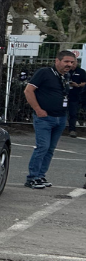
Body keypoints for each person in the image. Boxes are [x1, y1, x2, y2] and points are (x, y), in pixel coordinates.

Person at [23, 50, 77, 188]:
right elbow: (28, 90)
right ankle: (32, 177)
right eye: (66, 61)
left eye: (71, 62)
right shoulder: (44, 73)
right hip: (45, 118)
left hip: (60, 117)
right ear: (57, 61)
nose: (69, 65)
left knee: (50, 149)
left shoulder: (65, 76)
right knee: (43, 147)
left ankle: (41, 176)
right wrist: (38, 110)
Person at [66, 53, 85, 139]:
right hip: (64, 95)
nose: (72, 65)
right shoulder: (66, 71)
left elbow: (85, 82)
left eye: (74, 63)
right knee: (60, 112)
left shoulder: (81, 72)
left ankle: (72, 130)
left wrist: (77, 85)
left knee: (73, 113)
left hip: (75, 95)